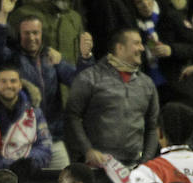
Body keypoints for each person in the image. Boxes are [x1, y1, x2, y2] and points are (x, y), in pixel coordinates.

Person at [0, 0, 95, 169]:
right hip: (21, 139)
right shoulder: (13, 59)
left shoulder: (52, 59)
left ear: (41, 34)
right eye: (27, 33)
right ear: (19, 35)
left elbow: (79, 83)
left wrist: (85, 57)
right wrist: (3, 15)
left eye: (35, 33)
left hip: (53, 137)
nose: (32, 37)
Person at [65, 28, 160, 167]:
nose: (142, 48)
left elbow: (153, 126)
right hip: (96, 167)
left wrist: (146, 162)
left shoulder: (147, 84)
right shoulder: (89, 78)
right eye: (137, 43)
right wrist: (87, 151)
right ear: (120, 48)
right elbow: (71, 116)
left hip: (134, 166)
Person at [0, 64, 52, 172]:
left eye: (13, 81)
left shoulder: (35, 112)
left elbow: (45, 147)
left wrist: (27, 162)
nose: (9, 85)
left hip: (29, 172)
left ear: (20, 85)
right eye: (3, 81)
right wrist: (6, 166)